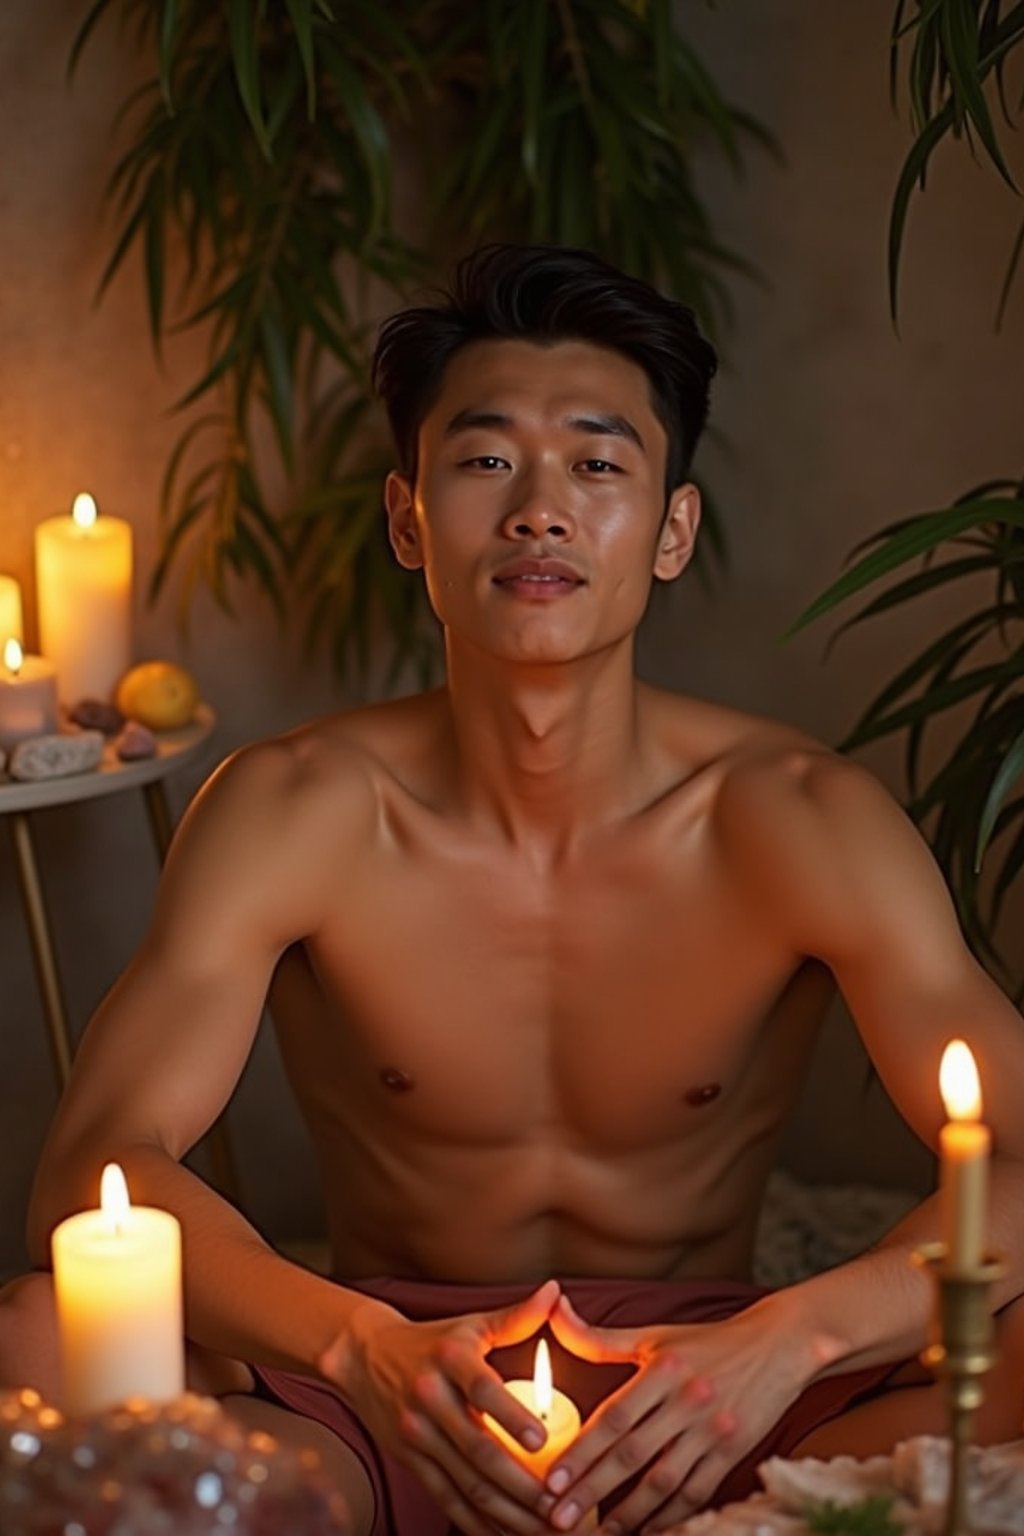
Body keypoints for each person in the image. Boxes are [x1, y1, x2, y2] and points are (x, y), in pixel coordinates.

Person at [2, 243, 1024, 1536]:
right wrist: (359, 1347)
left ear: (671, 531)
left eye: (598, 466)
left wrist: (792, 1339)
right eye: (486, 462)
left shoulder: (803, 818)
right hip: (385, 1404)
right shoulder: (295, 809)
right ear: (407, 517)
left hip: (718, 1407)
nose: (540, 511)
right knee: (41, 1329)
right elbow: (94, 1166)